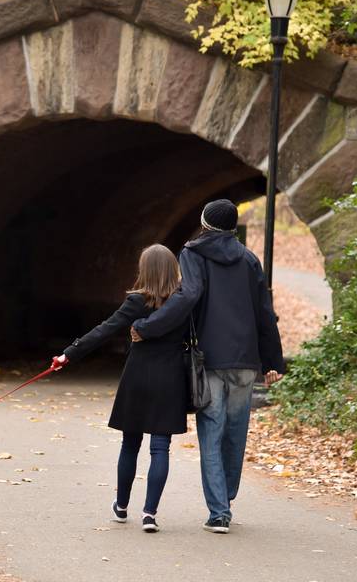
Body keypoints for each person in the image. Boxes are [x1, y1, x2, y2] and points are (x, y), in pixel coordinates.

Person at [130, 199, 284, 534]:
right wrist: (273, 361)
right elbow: (264, 313)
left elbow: (188, 297)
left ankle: (219, 512)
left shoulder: (194, 253)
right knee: (235, 432)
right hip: (245, 362)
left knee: (211, 434)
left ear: (204, 222)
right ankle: (225, 497)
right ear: (232, 227)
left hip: (210, 360)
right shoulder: (249, 259)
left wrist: (148, 326)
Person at [51, 244, 189, 533]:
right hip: (171, 378)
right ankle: (150, 514)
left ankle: (122, 507)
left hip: (138, 377)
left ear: (145, 270)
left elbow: (105, 329)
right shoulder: (184, 301)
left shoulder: (137, 301)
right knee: (160, 447)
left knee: (130, 443)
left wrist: (69, 354)